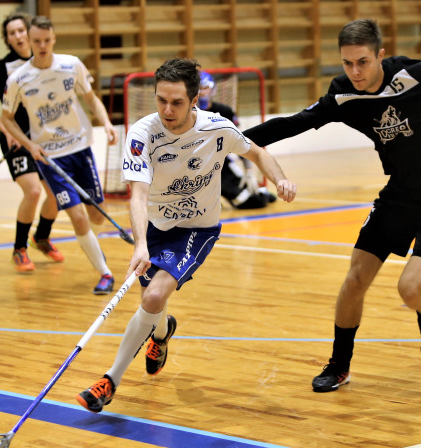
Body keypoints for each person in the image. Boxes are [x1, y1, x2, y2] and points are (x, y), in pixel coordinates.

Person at [242, 19, 421, 393]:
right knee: (354, 279)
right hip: (399, 194)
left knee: (411, 288)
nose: (355, 72)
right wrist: (227, 141)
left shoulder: (415, 75)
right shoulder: (343, 95)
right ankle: (339, 365)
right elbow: (291, 124)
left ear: (380, 55)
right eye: (347, 63)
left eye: (363, 62)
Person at [75, 57, 297, 413]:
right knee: (153, 300)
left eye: (176, 102)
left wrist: (280, 178)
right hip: (155, 227)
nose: (167, 109)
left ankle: (109, 381)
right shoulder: (143, 133)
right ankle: (162, 333)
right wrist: (142, 244)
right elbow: (139, 195)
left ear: (194, 99)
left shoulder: (217, 128)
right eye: (161, 100)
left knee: (152, 297)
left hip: (196, 228)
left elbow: (256, 151)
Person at [1, 16, 119, 295]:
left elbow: (90, 98)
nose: (41, 46)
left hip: (80, 148)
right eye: (36, 41)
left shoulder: (71, 65)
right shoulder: (18, 79)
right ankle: (105, 272)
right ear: (29, 42)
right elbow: (7, 119)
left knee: (96, 216)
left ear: (54, 39)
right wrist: (30, 146)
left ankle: (94, 249)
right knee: (77, 216)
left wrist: (107, 122)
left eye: (46, 40)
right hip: (51, 157)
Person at [0, 12, 64, 272]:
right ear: (7, 39)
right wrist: (5, 130)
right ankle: (19, 249)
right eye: (12, 33)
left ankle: (41, 237)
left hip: (44, 140)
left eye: (21, 31)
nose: (18, 36)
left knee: (56, 195)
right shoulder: (3, 68)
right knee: (33, 191)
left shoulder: (43, 63)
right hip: (16, 140)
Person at [198, 71, 276, 209]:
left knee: (258, 199)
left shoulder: (225, 111)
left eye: (205, 88)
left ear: (213, 89)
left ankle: (259, 191)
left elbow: (241, 140)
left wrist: (249, 171)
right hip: (196, 169)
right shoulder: (186, 113)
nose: (202, 92)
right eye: (197, 88)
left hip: (222, 166)